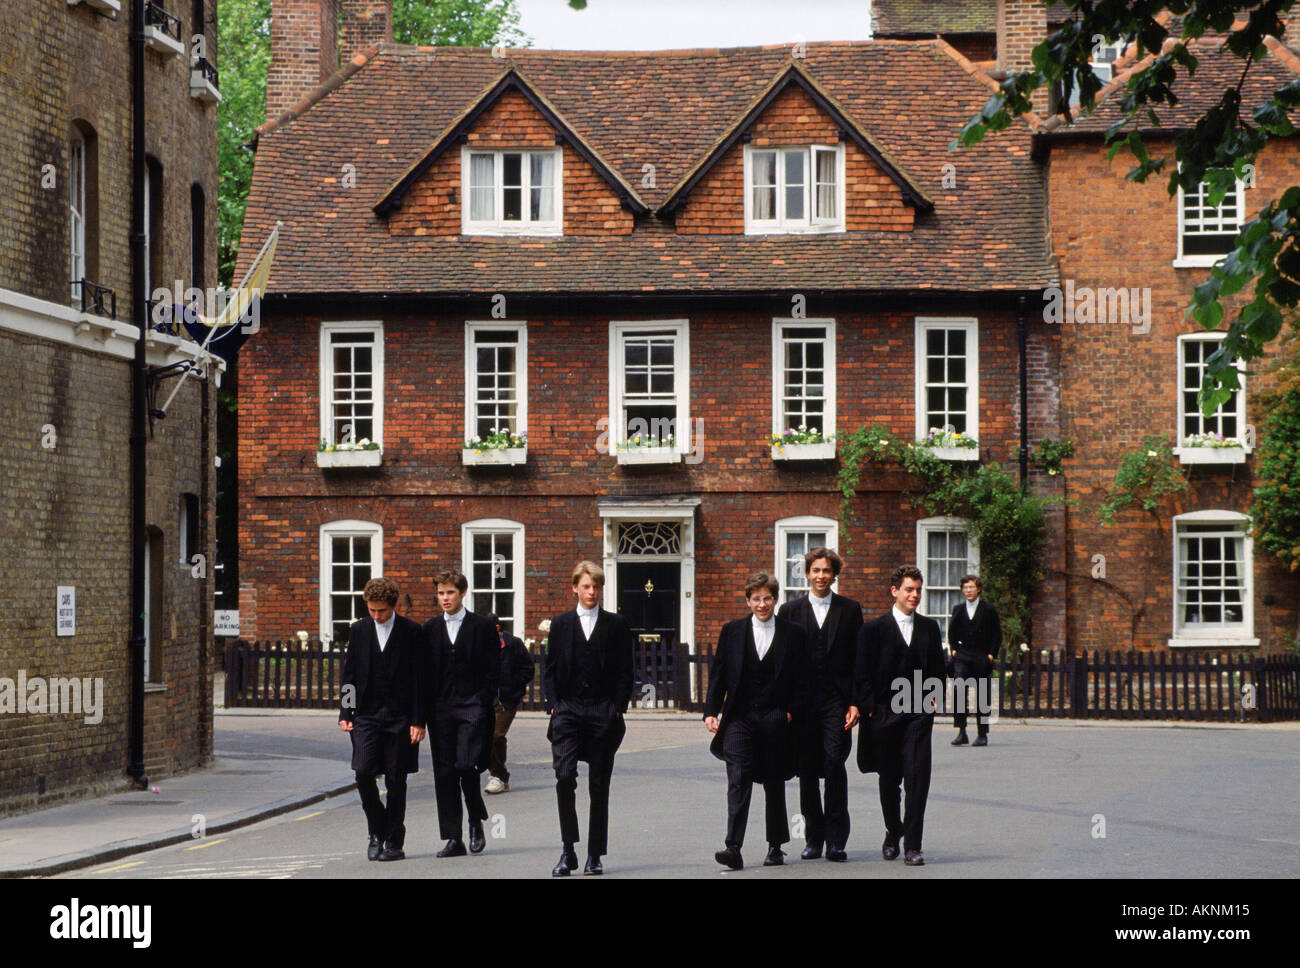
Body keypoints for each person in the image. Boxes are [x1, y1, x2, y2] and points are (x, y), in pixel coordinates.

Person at [705, 572, 810, 871]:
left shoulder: (794, 634)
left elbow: (804, 681)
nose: (762, 604)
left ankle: (776, 846)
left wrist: (790, 711)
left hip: (776, 716)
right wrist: (711, 711)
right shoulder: (732, 631)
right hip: (740, 717)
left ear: (775, 599)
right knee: (738, 779)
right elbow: (719, 674)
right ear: (747, 600)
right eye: (756, 599)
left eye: (767, 598)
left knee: (774, 782)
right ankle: (733, 848)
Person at [542, 560, 634, 876]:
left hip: (602, 712)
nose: (591, 591)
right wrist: (554, 705)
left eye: (595, 586)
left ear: (601, 588)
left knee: (599, 785)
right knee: (564, 777)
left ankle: (594, 854)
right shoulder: (561, 624)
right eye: (585, 586)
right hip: (567, 710)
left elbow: (625, 671)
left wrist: (617, 708)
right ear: (575, 589)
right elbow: (549, 669)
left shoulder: (616, 625)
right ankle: (568, 850)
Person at [855, 565, 946, 867]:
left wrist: (932, 699)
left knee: (917, 777)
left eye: (918, 590)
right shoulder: (873, 629)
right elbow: (862, 673)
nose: (915, 595)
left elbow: (938, 671)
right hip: (883, 714)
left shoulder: (930, 628)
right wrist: (870, 708)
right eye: (909, 589)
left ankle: (913, 845)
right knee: (889, 779)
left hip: (918, 713)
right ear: (894, 591)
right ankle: (892, 832)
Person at [776, 547, 864, 862]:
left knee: (834, 764)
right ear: (807, 573)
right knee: (807, 770)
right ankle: (813, 839)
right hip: (801, 704)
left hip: (835, 702)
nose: (821, 576)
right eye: (816, 570)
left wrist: (855, 702)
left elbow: (858, 661)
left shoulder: (850, 609)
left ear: (834, 573)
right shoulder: (789, 611)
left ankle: (837, 840)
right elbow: (782, 663)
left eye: (827, 571)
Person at [337, 577, 427, 862]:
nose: (377, 616)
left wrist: (418, 721)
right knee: (363, 773)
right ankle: (376, 831)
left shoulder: (412, 632)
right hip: (366, 714)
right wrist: (346, 712)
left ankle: (394, 842)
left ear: (394, 605)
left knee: (396, 778)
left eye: (382, 611)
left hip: (400, 717)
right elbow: (349, 675)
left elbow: (418, 680)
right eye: (372, 610)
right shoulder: (359, 630)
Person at [423, 569, 499, 857]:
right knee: (444, 773)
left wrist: (482, 699)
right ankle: (453, 838)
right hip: (440, 709)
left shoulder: (480, 626)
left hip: (472, 707)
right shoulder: (429, 629)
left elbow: (493, 669)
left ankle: (475, 819)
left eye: (450, 592)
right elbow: (423, 673)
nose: (445, 598)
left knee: (466, 765)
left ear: (463, 593)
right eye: (441, 593)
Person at [948, 574, 1000, 747]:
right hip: (962, 655)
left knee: (982, 694)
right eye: (965, 587)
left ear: (978, 589)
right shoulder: (958, 609)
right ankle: (961, 732)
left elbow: (996, 634)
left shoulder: (989, 609)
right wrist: (954, 649)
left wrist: (991, 654)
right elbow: (952, 632)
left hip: (981, 656)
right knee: (959, 689)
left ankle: (982, 733)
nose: (968, 590)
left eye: (971, 587)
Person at [485, 617, 535, 794]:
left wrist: (512, 686)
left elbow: (528, 669)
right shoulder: (479, 645)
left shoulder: (514, 644)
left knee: (495, 735)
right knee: (487, 738)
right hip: (485, 698)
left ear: (499, 630)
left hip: (506, 700)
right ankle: (501, 774)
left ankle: (497, 776)